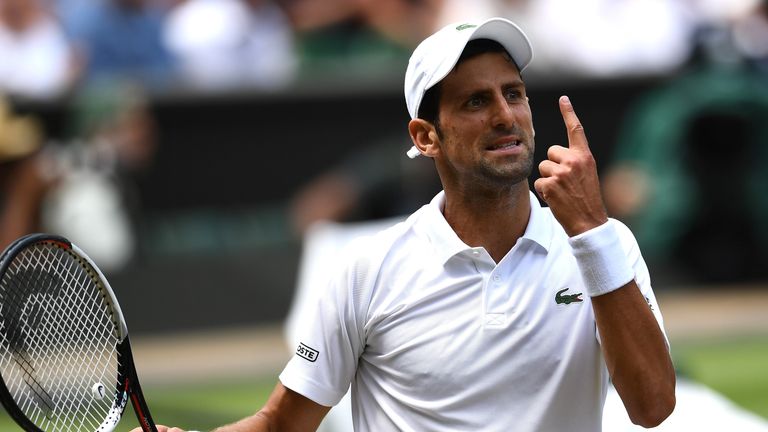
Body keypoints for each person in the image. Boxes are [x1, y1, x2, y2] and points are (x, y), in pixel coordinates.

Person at [138, 17, 675, 431]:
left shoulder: (606, 245)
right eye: (475, 101)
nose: (505, 114)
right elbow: (281, 424)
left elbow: (652, 406)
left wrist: (590, 231)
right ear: (425, 137)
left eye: (513, 94)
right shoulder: (366, 269)